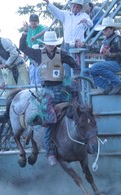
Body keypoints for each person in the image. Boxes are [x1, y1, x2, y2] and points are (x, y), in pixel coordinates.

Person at [19, 30, 81, 166]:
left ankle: (80, 144)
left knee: (76, 111)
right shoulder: (38, 53)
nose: (51, 46)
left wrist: (76, 76)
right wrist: (24, 33)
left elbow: (75, 65)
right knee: (50, 119)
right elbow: (23, 48)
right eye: (49, 44)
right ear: (45, 44)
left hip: (61, 89)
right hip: (47, 91)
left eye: (53, 44)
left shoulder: (62, 54)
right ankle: (50, 152)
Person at [43, 0, 93, 77]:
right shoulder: (65, 14)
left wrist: (85, 21)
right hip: (68, 46)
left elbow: (90, 24)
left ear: (80, 8)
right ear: (71, 6)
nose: (75, 8)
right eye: (74, 6)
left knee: (81, 66)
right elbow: (56, 11)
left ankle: (83, 85)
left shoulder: (84, 16)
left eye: (77, 6)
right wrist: (48, 3)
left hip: (78, 46)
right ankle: (71, 84)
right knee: (68, 67)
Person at [82, 17, 121, 95]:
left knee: (96, 67)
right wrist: (84, 45)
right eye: (103, 29)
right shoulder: (106, 40)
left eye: (105, 29)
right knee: (86, 72)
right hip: (110, 64)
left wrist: (110, 54)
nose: (104, 31)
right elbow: (97, 48)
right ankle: (107, 86)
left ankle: (117, 83)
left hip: (118, 64)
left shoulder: (118, 39)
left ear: (112, 29)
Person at [22, 14, 47, 85]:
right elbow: (25, 44)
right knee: (32, 76)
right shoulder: (28, 30)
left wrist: (36, 36)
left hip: (39, 55)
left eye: (35, 21)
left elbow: (46, 29)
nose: (33, 22)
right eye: (32, 21)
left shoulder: (40, 27)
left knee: (40, 76)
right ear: (29, 21)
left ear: (38, 22)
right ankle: (33, 91)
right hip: (31, 57)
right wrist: (24, 56)